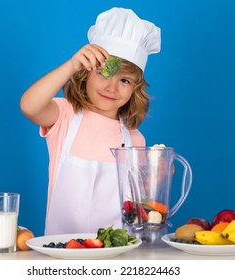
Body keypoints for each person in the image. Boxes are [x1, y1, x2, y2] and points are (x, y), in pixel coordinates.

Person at [20, 7, 161, 235]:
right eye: (104, 73)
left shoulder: (135, 139)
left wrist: (158, 175)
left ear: (135, 90)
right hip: (62, 252)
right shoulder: (64, 115)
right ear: (85, 73)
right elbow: (29, 105)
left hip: (117, 254)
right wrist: (71, 64)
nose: (111, 87)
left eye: (124, 80)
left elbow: (140, 206)